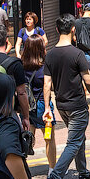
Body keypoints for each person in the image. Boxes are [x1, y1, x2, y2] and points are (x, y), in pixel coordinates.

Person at [40, 14, 90, 179]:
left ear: (57, 30)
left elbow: (47, 84)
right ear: (74, 29)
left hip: (61, 105)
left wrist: (48, 108)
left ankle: (83, 174)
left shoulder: (50, 54)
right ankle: (54, 178)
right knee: (74, 142)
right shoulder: (77, 54)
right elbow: (88, 80)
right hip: (78, 105)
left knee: (79, 138)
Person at [22, 34, 57, 171]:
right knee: (49, 139)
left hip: (26, 107)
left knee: (26, 140)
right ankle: (52, 170)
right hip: (43, 106)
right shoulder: (44, 67)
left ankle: (22, 170)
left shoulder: (21, 66)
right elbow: (49, 86)